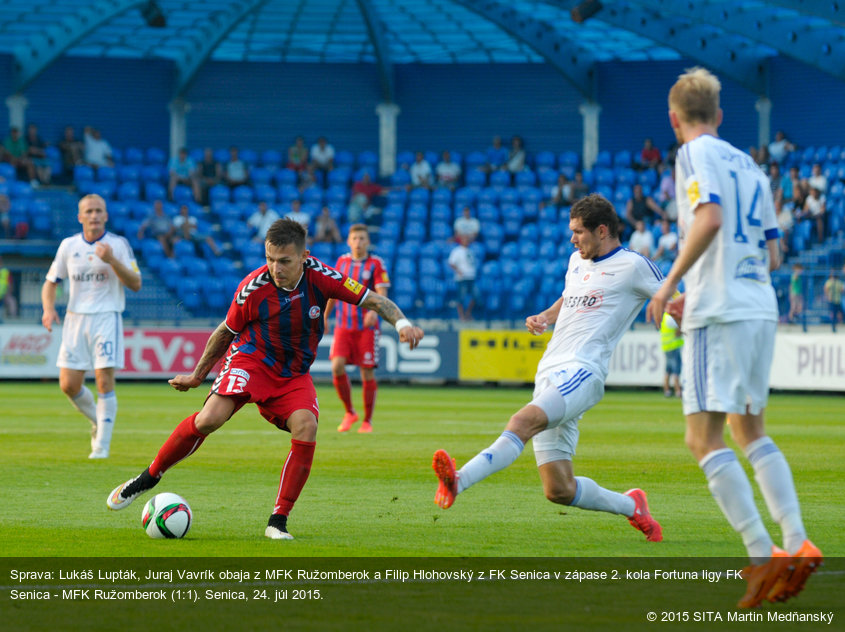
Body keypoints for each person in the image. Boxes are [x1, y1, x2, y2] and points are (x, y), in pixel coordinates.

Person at [106, 218, 423, 540]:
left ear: (304, 256)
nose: (275, 268)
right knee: (209, 419)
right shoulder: (253, 288)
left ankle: (278, 520)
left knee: (307, 426)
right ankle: (149, 476)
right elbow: (225, 332)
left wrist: (402, 325)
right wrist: (197, 376)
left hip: (292, 373)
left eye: (284, 261)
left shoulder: (323, 276)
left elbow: (376, 300)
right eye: (270, 259)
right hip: (252, 360)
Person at [646, 67, 821, 609]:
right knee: (751, 430)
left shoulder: (693, 155)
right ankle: (796, 541)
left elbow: (711, 218)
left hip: (717, 310)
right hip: (757, 305)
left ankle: (761, 555)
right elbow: (773, 253)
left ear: (675, 120)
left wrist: (672, 283)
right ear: (720, 116)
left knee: (703, 439)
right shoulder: (751, 165)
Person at [433, 194, 664, 547]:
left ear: (602, 231)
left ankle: (458, 480)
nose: (572, 239)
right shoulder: (577, 260)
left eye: (578, 232)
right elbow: (569, 295)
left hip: (584, 370)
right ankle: (631, 505)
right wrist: (545, 316)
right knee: (559, 489)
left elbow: (675, 298)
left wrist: (677, 312)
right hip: (550, 371)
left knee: (520, 423)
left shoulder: (634, 266)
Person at [41, 194, 142, 459]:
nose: (94, 215)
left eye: (98, 211)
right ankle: (99, 420)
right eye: (89, 211)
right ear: (80, 216)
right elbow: (51, 281)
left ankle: (101, 448)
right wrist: (49, 309)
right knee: (69, 385)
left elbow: (135, 283)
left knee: (104, 381)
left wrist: (112, 261)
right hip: (75, 320)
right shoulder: (68, 245)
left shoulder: (118, 245)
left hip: (106, 317)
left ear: (106, 216)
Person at [325, 224, 391, 433]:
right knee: (336, 366)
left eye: (362, 238)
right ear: (348, 241)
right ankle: (350, 412)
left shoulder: (376, 263)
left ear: (368, 241)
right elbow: (334, 292)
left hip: (366, 328)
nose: (358, 242)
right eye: (355, 238)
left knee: (367, 373)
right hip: (344, 325)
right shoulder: (342, 262)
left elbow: (381, 291)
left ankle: (367, 421)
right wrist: (324, 317)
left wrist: (375, 310)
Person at [447, 235, 480, 321]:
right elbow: (451, 262)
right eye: (464, 239)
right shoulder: (457, 251)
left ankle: (468, 313)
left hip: (471, 277)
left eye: (467, 239)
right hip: (462, 278)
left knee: (476, 296)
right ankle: (461, 316)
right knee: (461, 297)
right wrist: (458, 271)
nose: (466, 241)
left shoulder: (470, 251)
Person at [660, 312, 682, 398]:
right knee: (676, 370)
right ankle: (678, 391)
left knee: (668, 370)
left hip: (666, 347)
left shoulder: (664, 317)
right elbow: (678, 331)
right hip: (673, 346)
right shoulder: (670, 317)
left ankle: (667, 390)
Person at [0, 255, 19, 320]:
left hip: (4, 295)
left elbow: (10, 284)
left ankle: (12, 321)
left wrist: (7, 294)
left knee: (12, 301)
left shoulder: (5, 271)